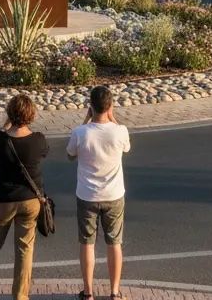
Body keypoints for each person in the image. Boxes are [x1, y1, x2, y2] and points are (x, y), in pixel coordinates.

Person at [0, 94, 49, 300]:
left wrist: (6, 124)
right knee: (25, 249)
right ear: (32, 114)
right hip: (30, 201)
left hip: (2, 201)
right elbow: (44, 153)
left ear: (9, 113)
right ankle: (20, 296)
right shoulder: (38, 140)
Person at [66, 86, 132, 300]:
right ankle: (114, 291)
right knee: (114, 242)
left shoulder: (80, 132)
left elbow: (70, 155)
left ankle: (88, 292)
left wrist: (85, 121)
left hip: (87, 195)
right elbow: (126, 148)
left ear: (90, 107)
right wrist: (113, 118)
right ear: (110, 106)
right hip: (113, 195)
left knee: (87, 242)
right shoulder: (120, 131)